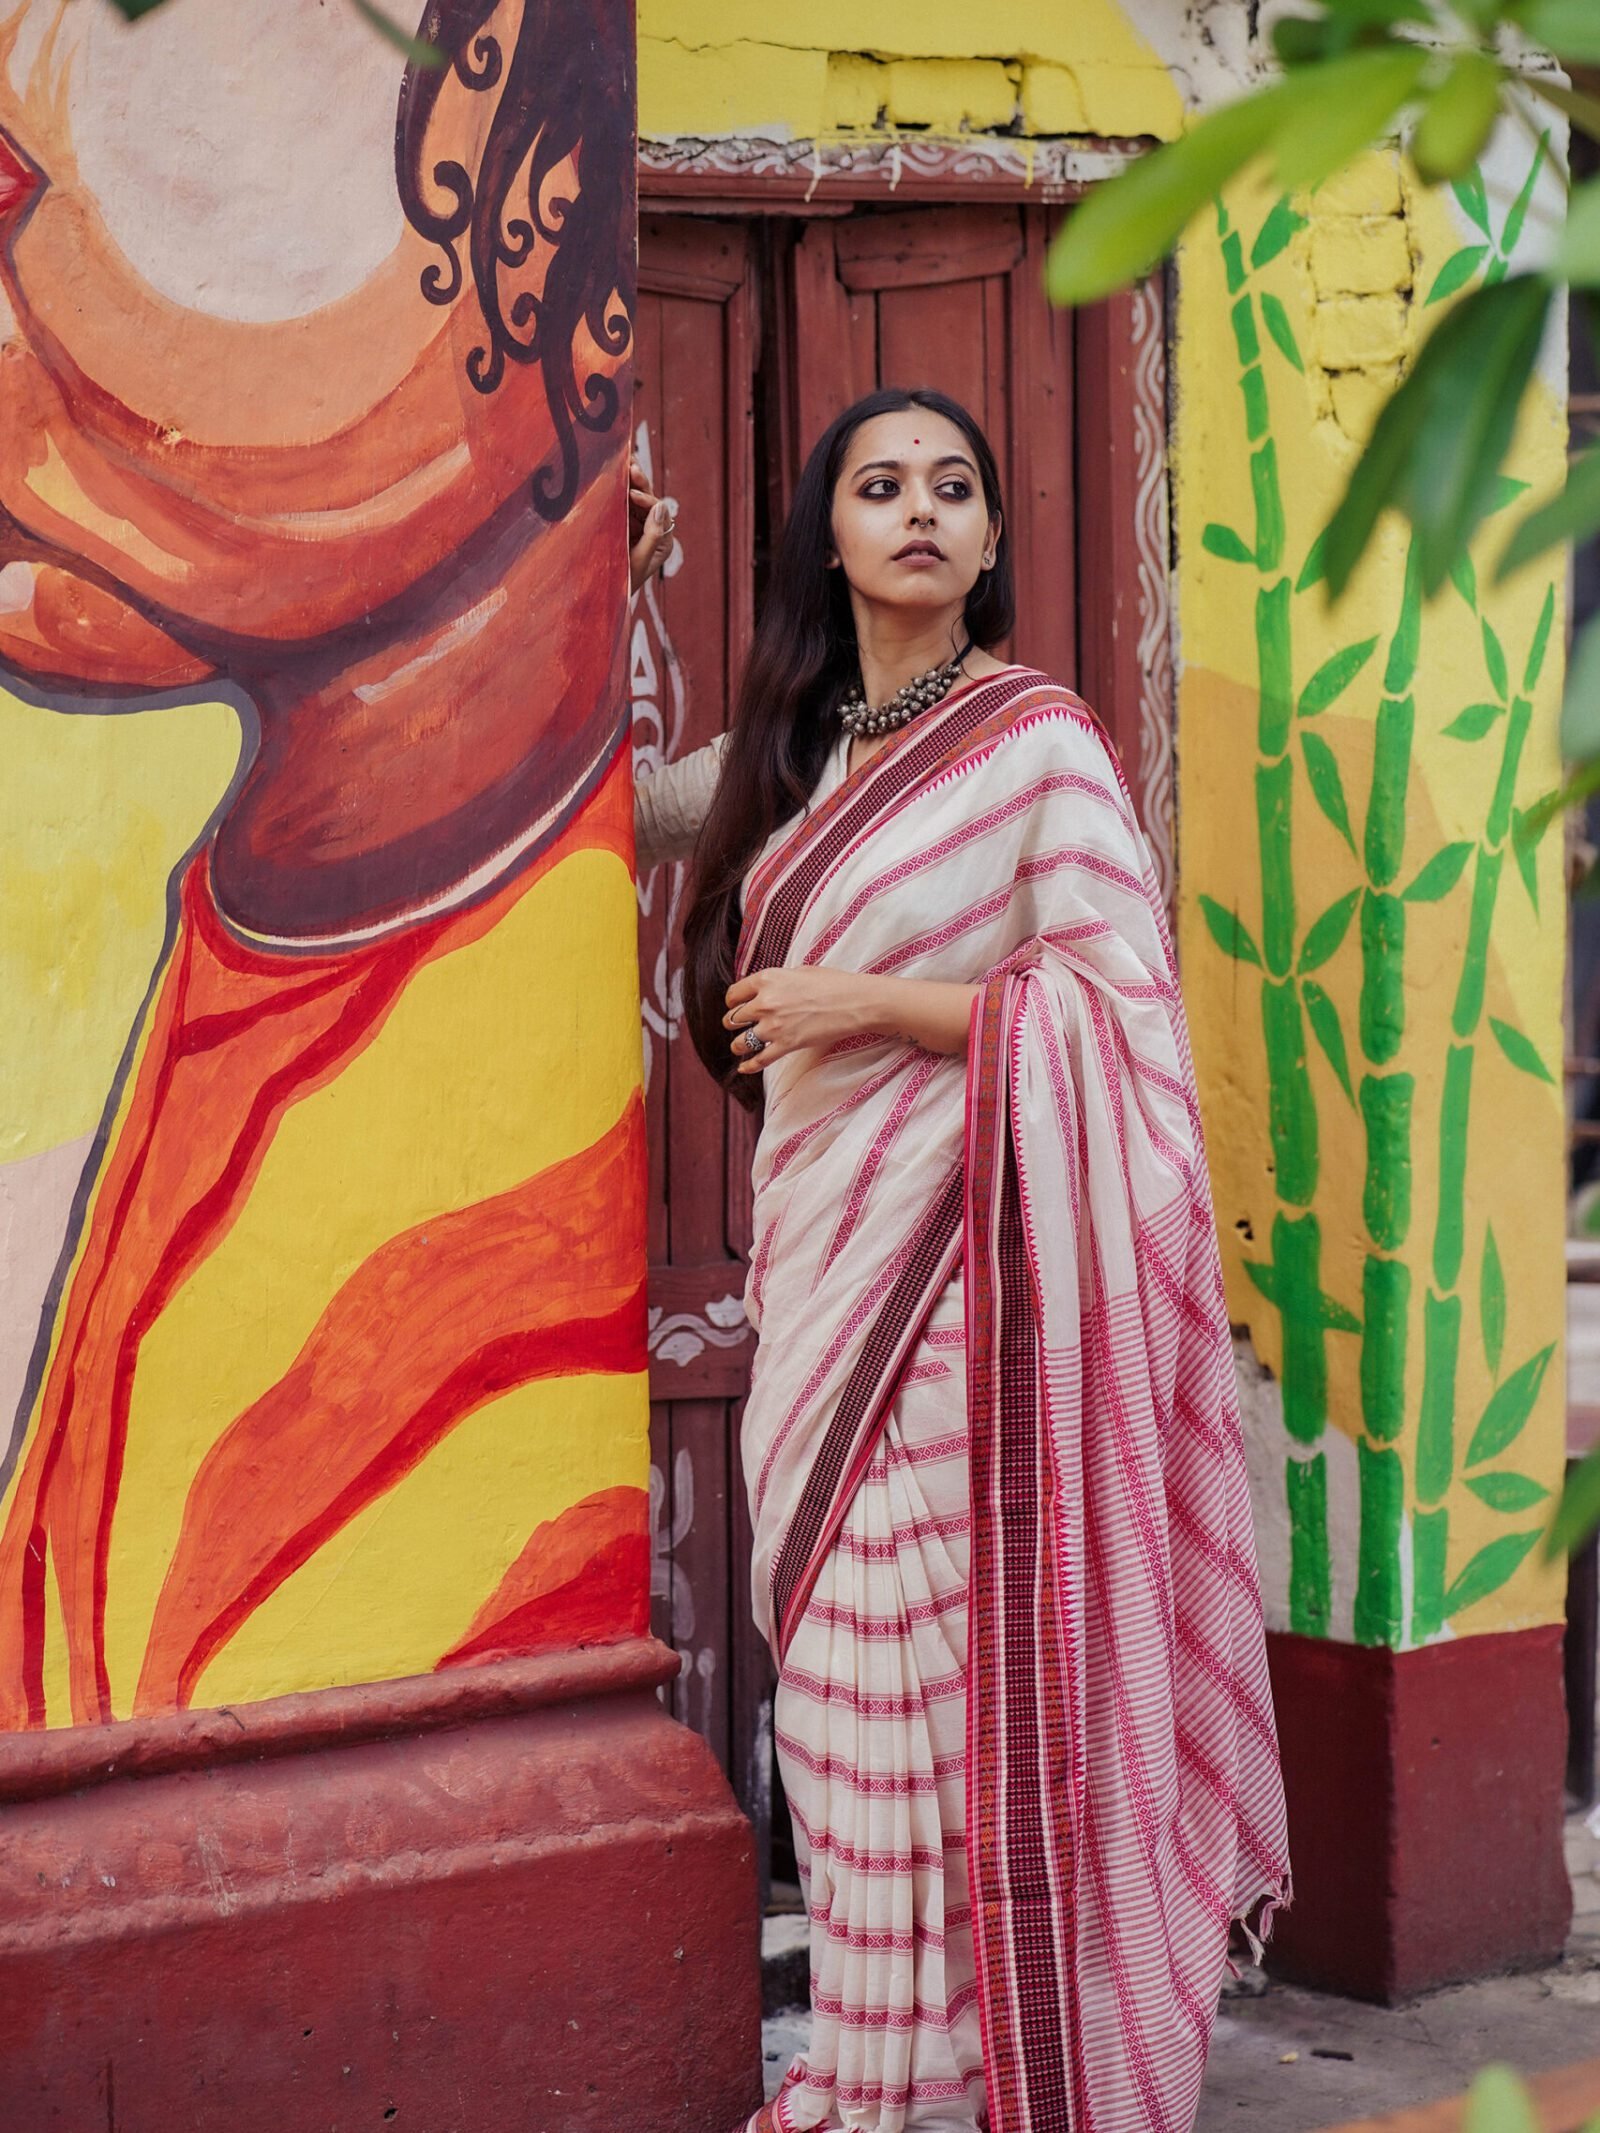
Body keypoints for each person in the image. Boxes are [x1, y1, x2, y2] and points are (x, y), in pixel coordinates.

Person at [644, 386, 1290, 2133]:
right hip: (821, 1304)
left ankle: (934, 2087)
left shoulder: (1041, 746)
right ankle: (885, 2075)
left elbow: (1115, 1015)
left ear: (994, 541)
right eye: (879, 486)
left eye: (954, 486)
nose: (919, 510)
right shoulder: (784, 763)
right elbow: (624, 801)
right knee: (850, 1744)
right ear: (827, 536)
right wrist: (615, 596)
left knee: (927, 1730)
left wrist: (869, 1004)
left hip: (967, 1322)